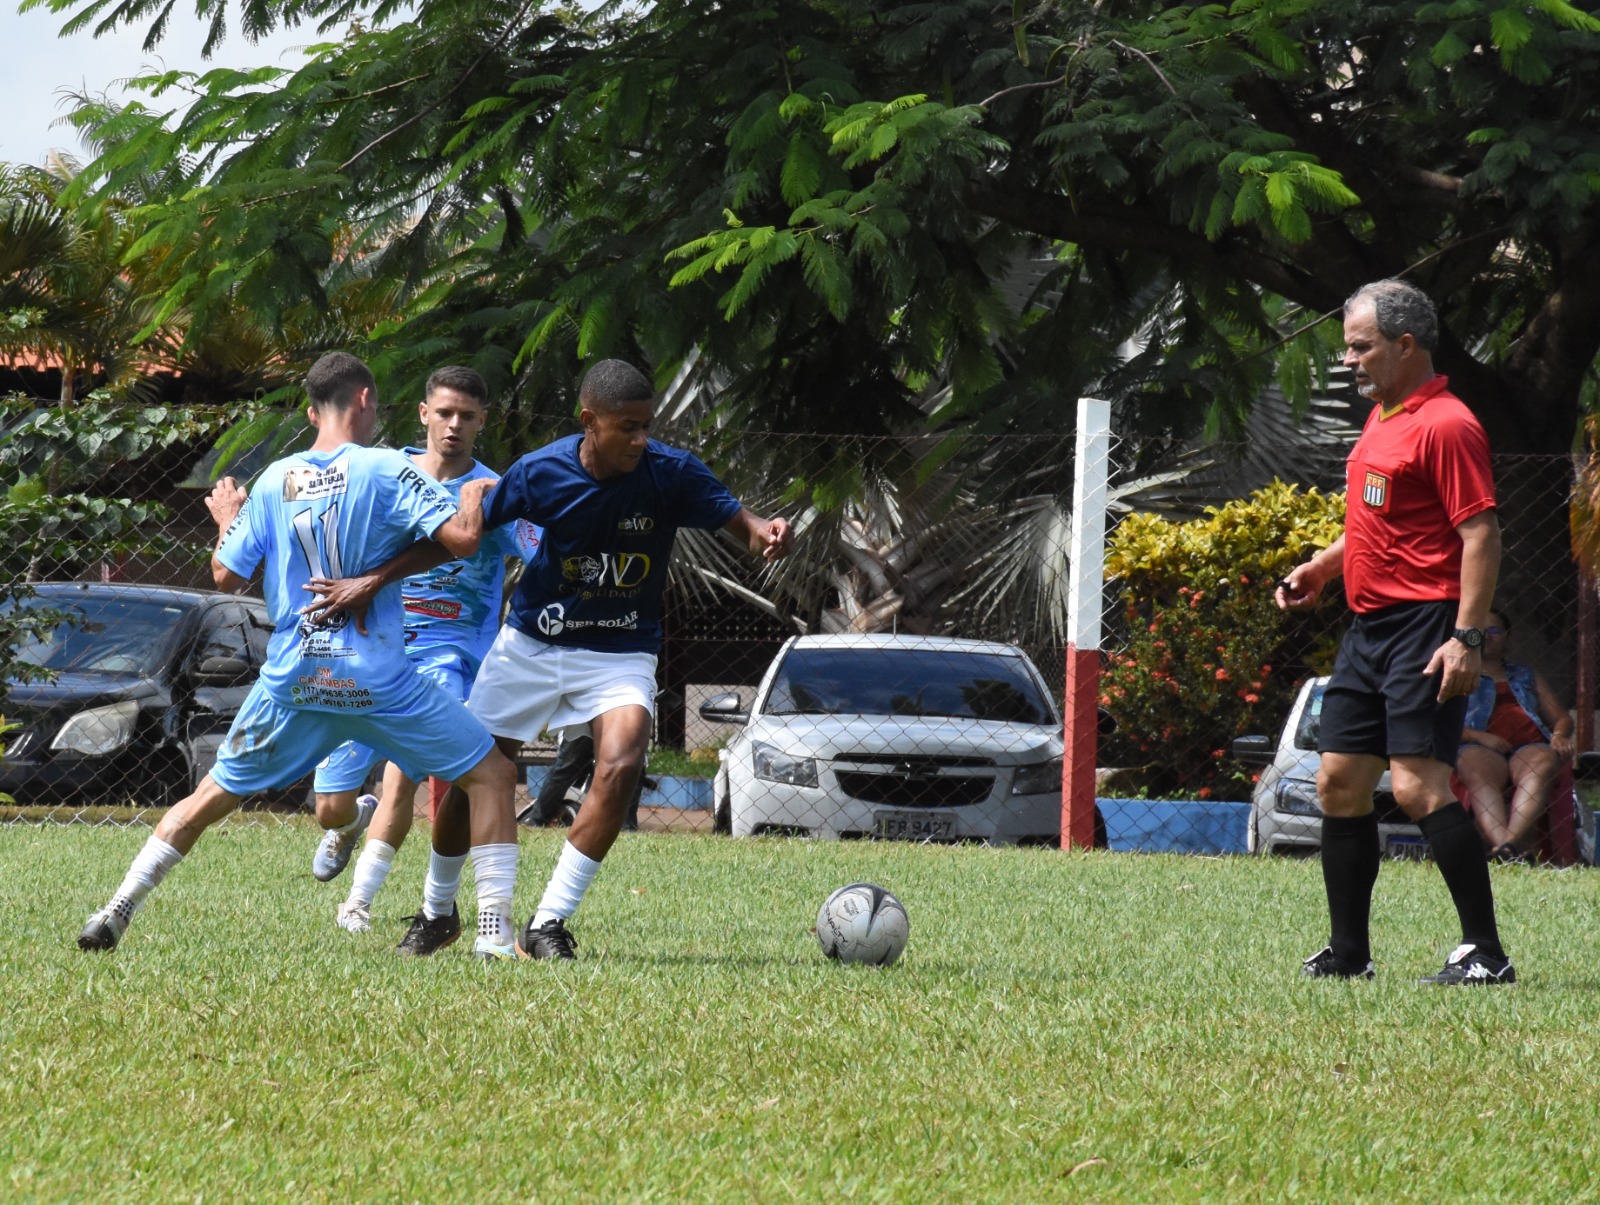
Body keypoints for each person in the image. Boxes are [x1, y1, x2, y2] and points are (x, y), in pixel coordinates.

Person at [317, 358, 793, 960]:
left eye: (647, 426)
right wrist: (372, 581)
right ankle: (438, 913)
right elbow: (454, 539)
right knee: (471, 778)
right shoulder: (540, 472)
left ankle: (548, 923)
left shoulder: (670, 473)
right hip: (531, 647)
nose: (642, 439)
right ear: (589, 422)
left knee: (620, 764)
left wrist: (767, 531)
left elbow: (744, 525)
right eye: (628, 427)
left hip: (620, 651)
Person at [75, 352, 521, 958]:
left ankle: (117, 907)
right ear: (365, 401)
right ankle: (493, 939)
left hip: (295, 679)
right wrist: (472, 496)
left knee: (208, 800)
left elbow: (226, 575)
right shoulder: (387, 468)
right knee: (491, 775)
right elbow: (464, 540)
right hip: (377, 679)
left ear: (315, 409)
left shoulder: (272, 478)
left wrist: (229, 518)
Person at [1278, 278, 1512, 986]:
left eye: (1360, 347)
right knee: (1338, 782)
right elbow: (1378, 524)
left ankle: (1485, 953)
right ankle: (1349, 953)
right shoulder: (1384, 417)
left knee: (1416, 786)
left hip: (1425, 627)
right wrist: (1322, 569)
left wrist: (1466, 637)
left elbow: (1482, 534)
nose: (1348, 361)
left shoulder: (1447, 423)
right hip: (1368, 628)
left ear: (1405, 344)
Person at [307, 366, 540, 935]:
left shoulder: (494, 492)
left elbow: (545, 552)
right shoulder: (384, 474)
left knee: (403, 773)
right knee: (328, 808)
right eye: (444, 413)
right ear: (423, 413)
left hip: (449, 659)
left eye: (467, 415)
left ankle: (367, 904)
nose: (454, 425)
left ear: (483, 421)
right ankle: (348, 822)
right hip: (368, 654)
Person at [1456, 608, 1575, 860]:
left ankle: (1504, 848)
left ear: (1507, 636)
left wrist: (1559, 735)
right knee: (1477, 773)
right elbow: (1437, 721)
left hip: (1528, 746)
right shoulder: (1458, 673)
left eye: (1494, 630)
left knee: (1542, 765)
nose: (1487, 636)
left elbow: (1562, 718)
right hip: (1479, 747)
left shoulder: (1524, 674)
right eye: (1479, 631)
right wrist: (1480, 737)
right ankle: (1508, 849)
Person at [520, 729, 643, 831]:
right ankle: (537, 820)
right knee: (568, 766)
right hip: (587, 709)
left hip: (620, 707)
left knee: (629, 765)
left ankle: (626, 827)